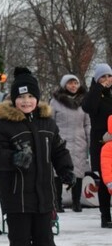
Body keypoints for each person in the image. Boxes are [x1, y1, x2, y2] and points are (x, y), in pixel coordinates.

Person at [0, 67, 73, 246]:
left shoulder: (47, 123)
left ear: (37, 99)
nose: (26, 101)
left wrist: (66, 169)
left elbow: (59, 150)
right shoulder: (4, 125)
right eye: (21, 97)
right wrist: (14, 157)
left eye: (30, 97)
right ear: (14, 99)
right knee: (20, 240)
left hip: (44, 193)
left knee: (45, 240)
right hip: (17, 195)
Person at [50, 74, 90, 212]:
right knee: (57, 171)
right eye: (70, 83)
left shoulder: (84, 101)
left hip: (79, 141)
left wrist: (89, 141)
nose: (73, 86)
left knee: (78, 172)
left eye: (76, 83)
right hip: (60, 140)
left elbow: (87, 124)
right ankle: (57, 202)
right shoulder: (55, 102)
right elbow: (50, 122)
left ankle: (76, 202)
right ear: (64, 85)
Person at [81, 63, 112, 228]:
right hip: (101, 143)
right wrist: (98, 88)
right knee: (105, 180)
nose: (107, 80)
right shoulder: (94, 94)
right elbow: (88, 107)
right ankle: (105, 216)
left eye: (109, 76)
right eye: (103, 77)